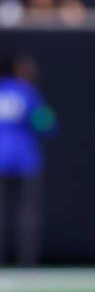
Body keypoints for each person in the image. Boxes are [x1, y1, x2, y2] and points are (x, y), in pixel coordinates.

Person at [0, 54, 56, 265]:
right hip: (25, 159)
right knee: (27, 215)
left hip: (1, 158)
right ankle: (27, 261)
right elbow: (47, 124)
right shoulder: (26, 91)